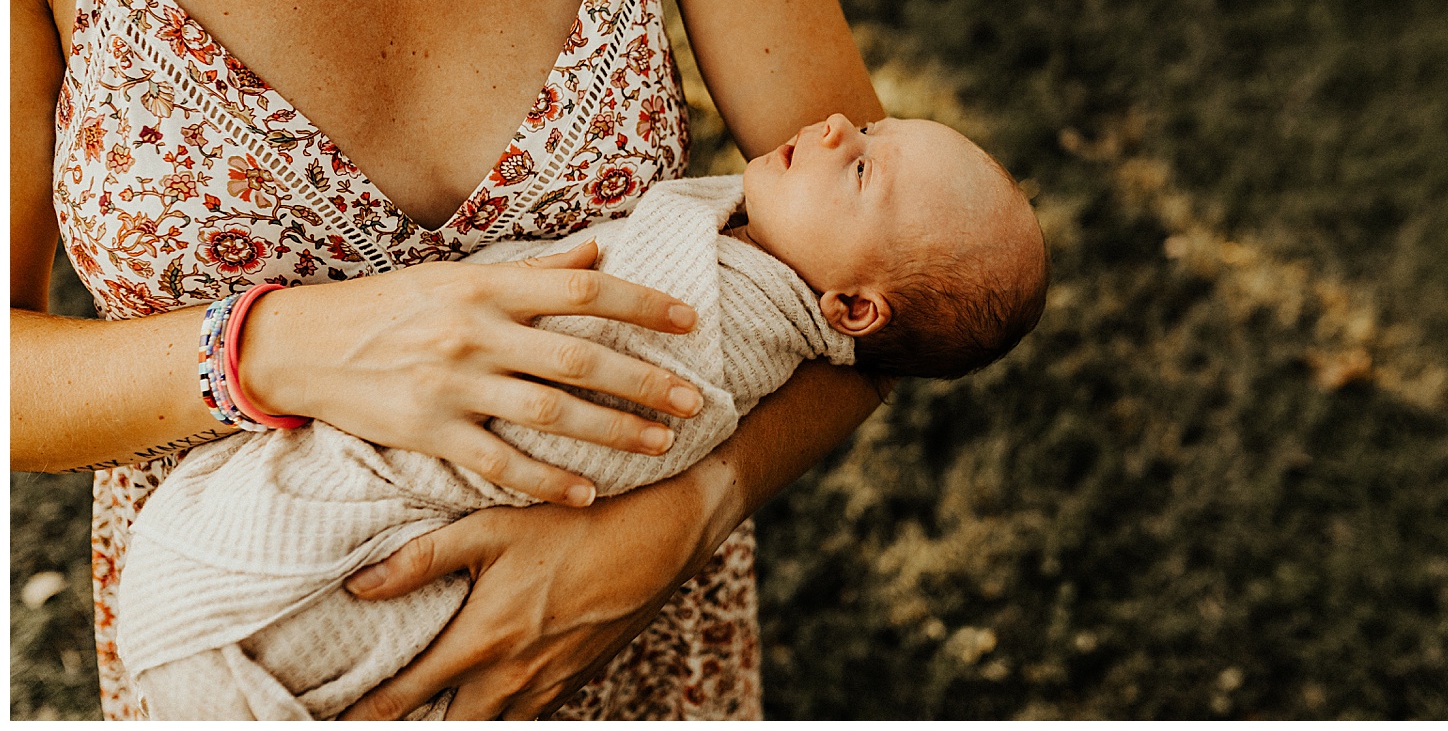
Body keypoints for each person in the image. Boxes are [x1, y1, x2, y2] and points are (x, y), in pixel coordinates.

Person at [11, 0, 892, 720]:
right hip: (254, 653)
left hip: (624, 646)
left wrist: (683, 520)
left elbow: (894, 275)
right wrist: (268, 348)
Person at [113, 114, 1049, 720]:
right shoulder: (765, 250)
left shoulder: (705, 321)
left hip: (354, 583)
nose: (841, 122)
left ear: (849, 312)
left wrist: (682, 511)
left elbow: (575, 414)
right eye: (874, 128)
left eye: (866, 170)